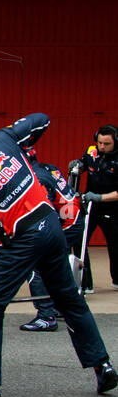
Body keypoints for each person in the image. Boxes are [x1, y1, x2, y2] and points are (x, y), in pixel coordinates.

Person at [0, 118, 116, 397]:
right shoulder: (1, 140)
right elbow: (42, 120)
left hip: (21, 238)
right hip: (52, 227)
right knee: (70, 301)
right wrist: (20, 138)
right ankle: (103, 365)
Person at [20, 149, 84, 332]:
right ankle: (63, 306)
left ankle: (46, 316)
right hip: (73, 219)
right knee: (54, 264)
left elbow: (45, 213)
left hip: (67, 223)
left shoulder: (35, 178)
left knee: (36, 265)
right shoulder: (48, 168)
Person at [78, 124, 118, 291]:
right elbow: (82, 165)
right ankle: (85, 283)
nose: (102, 147)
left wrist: (101, 197)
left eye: (107, 144)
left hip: (113, 208)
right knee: (80, 242)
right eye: (100, 142)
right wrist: (77, 166)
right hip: (91, 207)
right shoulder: (91, 152)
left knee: (115, 245)